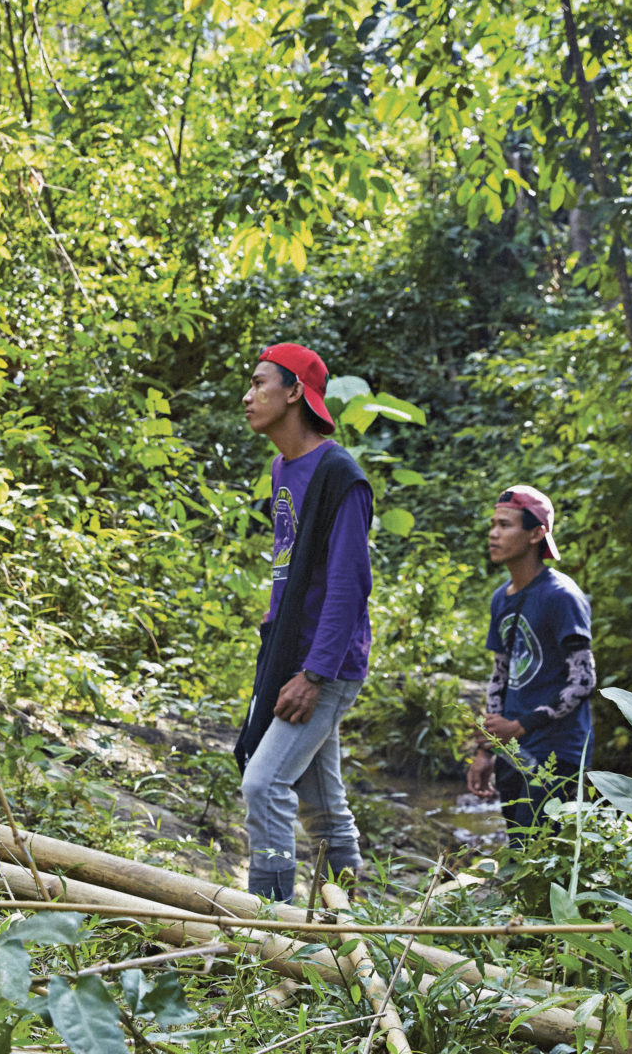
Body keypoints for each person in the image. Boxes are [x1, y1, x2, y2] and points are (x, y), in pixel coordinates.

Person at [234, 343, 375, 904]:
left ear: (295, 393)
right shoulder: (282, 467)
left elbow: (348, 584)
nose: (248, 397)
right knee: (321, 803)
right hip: (292, 654)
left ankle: (271, 921)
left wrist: (314, 674)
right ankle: (356, 917)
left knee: (264, 785)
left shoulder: (341, 476)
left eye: (260, 383)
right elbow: (289, 569)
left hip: (327, 663)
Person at [468, 485, 594, 837]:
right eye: (493, 524)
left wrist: (521, 725)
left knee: (547, 855)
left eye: (505, 525)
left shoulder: (561, 597)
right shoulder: (500, 599)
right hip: (513, 750)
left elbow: (583, 680)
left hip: (558, 751)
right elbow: (500, 676)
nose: (494, 533)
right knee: (520, 849)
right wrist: (486, 749)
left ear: (537, 533)